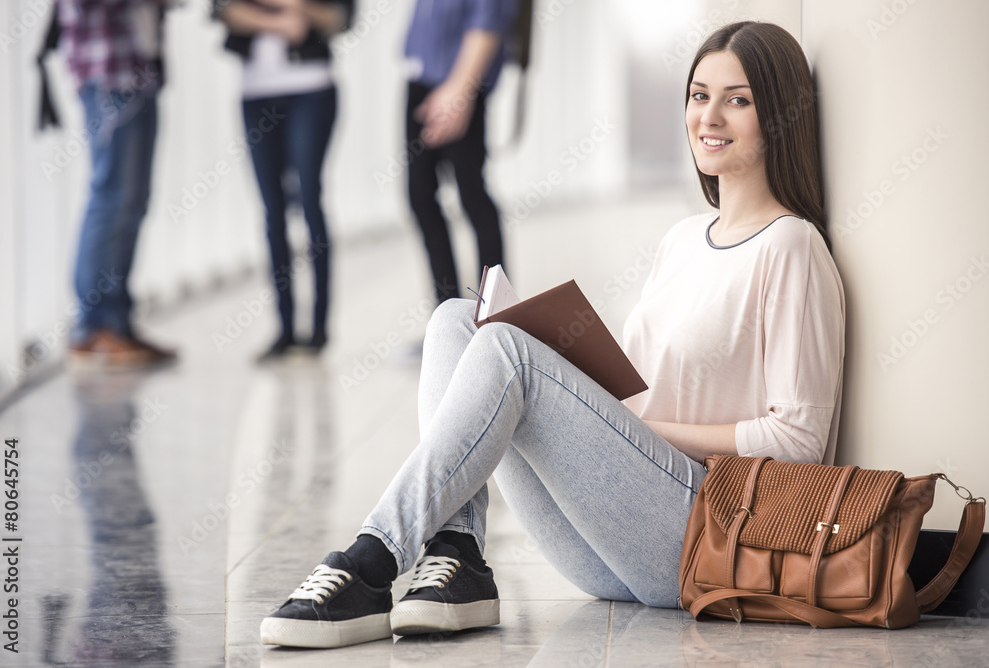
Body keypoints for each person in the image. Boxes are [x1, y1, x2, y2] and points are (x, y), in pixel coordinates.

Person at [259, 21, 846, 649]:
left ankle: (372, 557)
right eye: (699, 95)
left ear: (781, 115)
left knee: (508, 352)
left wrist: (636, 432)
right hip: (615, 537)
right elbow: (647, 393)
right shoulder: (682, 239)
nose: (710, 117)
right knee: (458, 320)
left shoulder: (791, 246)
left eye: (739, 100)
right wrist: (591, 394)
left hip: (702, 535)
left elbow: (801, 442)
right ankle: (459, 554)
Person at [214, 0, 353, 361]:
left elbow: (341, 17)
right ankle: (285, 329)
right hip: (256, 92)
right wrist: (281, 17)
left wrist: (296, 10)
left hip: (312, 89)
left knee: (310, 200)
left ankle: (319, 327)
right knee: (272, 212)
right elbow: (222, 9)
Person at [60, 0, 177, 369]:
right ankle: (93, 326)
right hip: (109, 75)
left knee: (133, 202)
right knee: (111, 197)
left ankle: (118, 322)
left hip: (140, 71)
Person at [404, 0, 519, 304]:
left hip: (460, 83)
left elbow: (488, 19)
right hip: (421, 79)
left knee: (472, 195)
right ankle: (447, 317)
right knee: (420, 197)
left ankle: (496, 314)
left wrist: (461, 89)